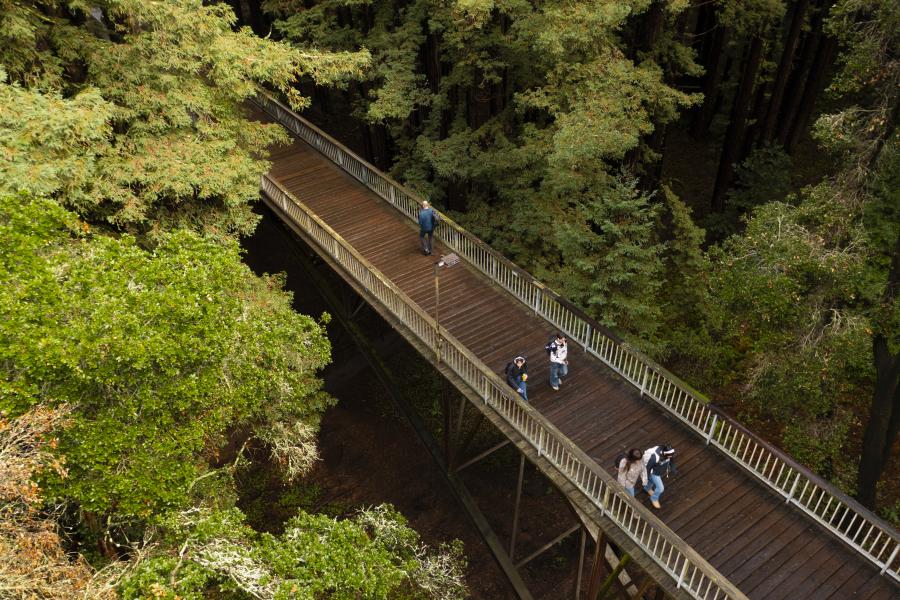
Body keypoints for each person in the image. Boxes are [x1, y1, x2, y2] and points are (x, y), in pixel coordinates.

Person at [641, 444, 676, 509]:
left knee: (651, 481)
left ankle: (647, 488)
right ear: (665, 454)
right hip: (654, 473)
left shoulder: (668, 455)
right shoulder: (655, 457)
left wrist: (673, 468)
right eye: (670, 455)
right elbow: (648, 468)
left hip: (659, 471)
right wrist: (646, 477)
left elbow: (671, 460)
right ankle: (654, 498)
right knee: (660, 488)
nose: (671, 457)